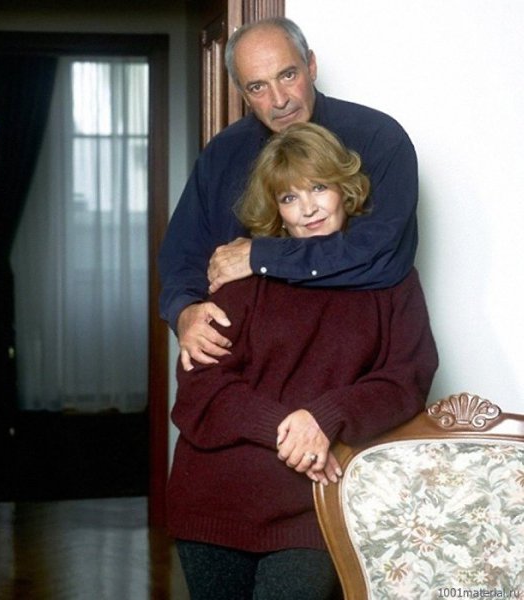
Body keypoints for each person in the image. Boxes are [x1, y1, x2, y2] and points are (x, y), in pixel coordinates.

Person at [166, 122, 438, 599]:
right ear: (276, 208)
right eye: (290, 197)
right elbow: (201, 386)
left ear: (346, 190)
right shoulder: (242, 275)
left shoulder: (391, 279)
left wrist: (325, 416)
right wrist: (288, 427)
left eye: (319, 188)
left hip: (315, 501)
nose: (308, 208)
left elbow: (405, 381)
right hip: (215, 496)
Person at [159, 17, 420, 371]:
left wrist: (259, 256)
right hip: (247, 367)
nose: (279, 100)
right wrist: (184, 310)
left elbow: (381, 257)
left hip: (358, 361)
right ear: (242, 93)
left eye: (287, 75)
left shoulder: (379, 138)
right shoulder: (222, 155)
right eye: (258, 87)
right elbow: (182, 255)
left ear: (311, 65)